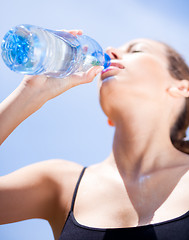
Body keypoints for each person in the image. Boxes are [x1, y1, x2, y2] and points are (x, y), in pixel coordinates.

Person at [1, 29, 189, 240]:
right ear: (108, 117)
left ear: (181, 88)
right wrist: (28, 95)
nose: (110, 50)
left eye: (136, 50)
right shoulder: (60, 183)